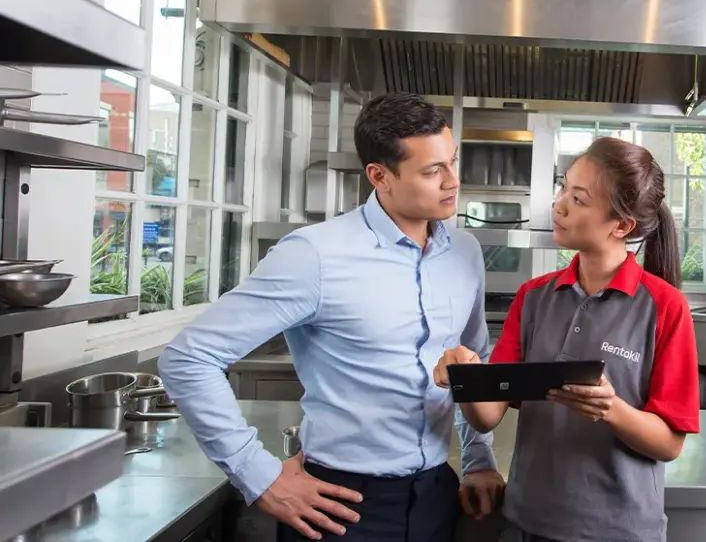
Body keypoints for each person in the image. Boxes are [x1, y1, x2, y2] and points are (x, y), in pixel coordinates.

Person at [159, 92, 505, 542]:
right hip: (341, 505)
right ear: (380, 176)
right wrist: (259, 474)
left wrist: (478, 458)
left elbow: (473, 358)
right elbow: (188, 359)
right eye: (432, 170)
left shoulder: (464, 253)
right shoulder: (314, 255)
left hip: (437, 495)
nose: (453, 181)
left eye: (452, 162)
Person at [435, 136, 700, 542]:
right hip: (527, 523)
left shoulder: (665, 307)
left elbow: (669, 444)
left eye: (578, 199)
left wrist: (611, 409)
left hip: (620, 530)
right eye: (563, 188)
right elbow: (489, 414)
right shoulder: (534, 297)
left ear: (622, 226)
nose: (558, 205)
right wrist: (465, 377)